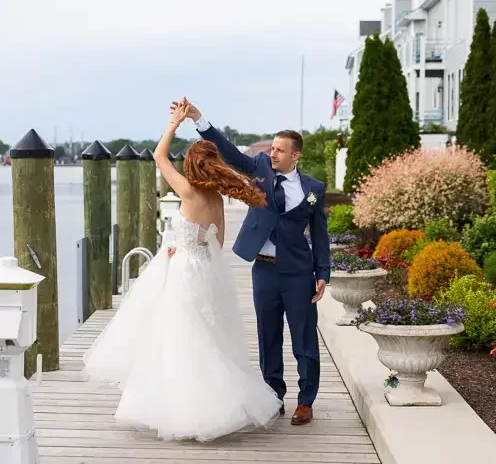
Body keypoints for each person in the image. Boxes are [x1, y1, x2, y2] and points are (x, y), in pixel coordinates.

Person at [82, 101, 282, 442]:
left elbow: (160, 156)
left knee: (176, 339)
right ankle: (217, 408)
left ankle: (184, 410)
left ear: (191, 165)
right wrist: (193, 244)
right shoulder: (218, 199)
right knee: (207, 338)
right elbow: (217, 241)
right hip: (205, 270)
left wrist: (174, 123)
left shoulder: (188, 191)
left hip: (183, 272)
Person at [181, 97, 330, 426]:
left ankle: (306, 401)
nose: (273, 153)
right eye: (272, 147)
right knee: (268, 336)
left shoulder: (314, 188)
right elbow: (228, 152)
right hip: (263, 268)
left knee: (304, 337)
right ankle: (273, 395)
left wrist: (323, 273)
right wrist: (198, 118)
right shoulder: (259, 167)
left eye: (280, 149)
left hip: (299, 272)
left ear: (296, 154)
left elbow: (320, 234)